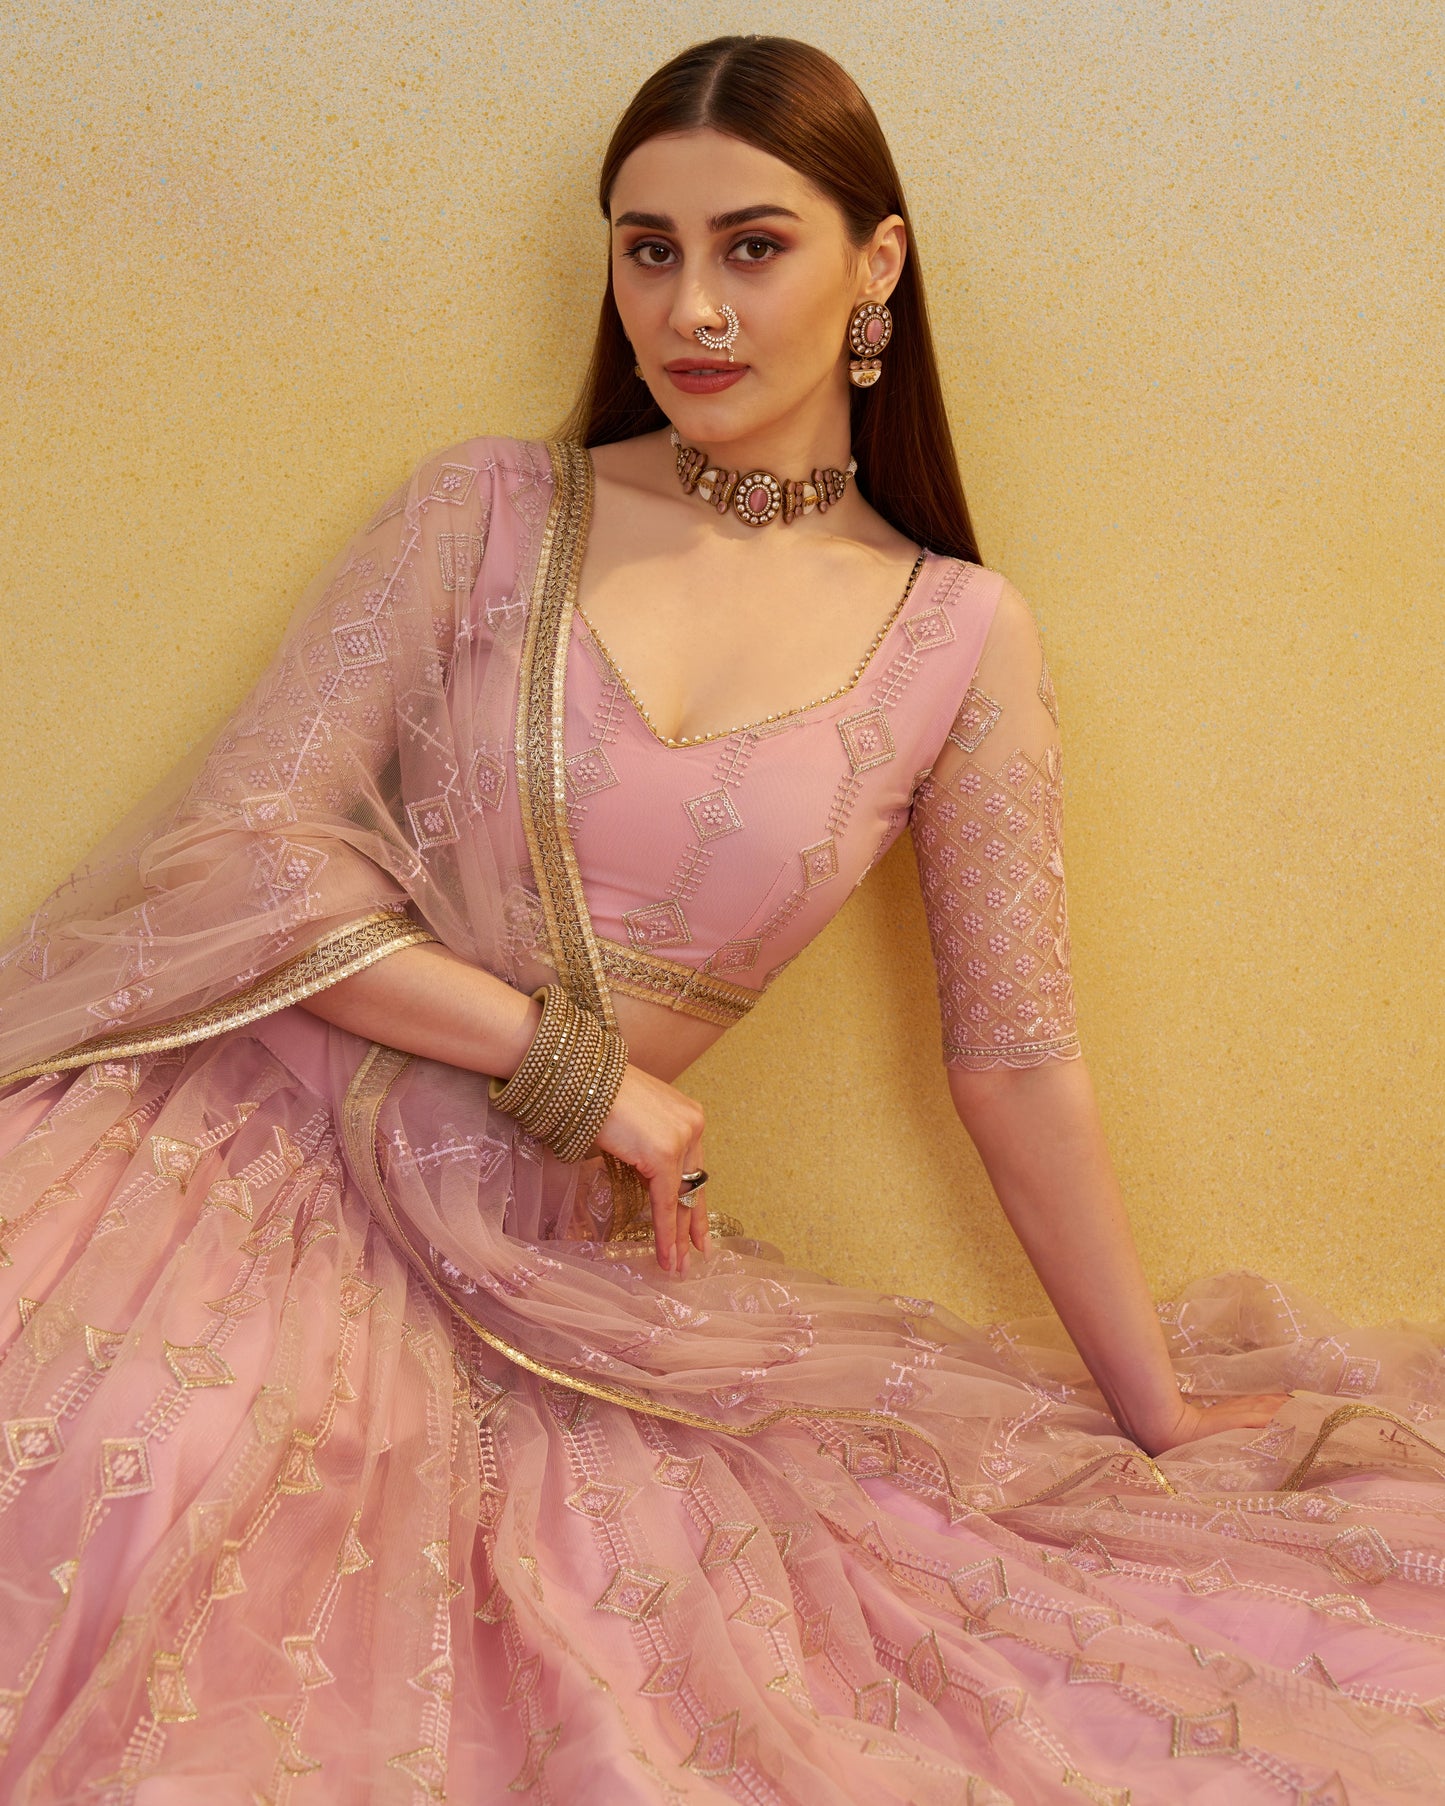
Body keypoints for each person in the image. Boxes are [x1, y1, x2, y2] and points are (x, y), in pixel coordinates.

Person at [0, 32, 1440, 1805]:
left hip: (536, 1276)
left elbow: (1014, 1060)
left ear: (873, 265)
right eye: (647, 247)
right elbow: (242, 852)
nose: (690, 306)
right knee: (128, 1464)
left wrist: (1150, 1402)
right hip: (216, 1155)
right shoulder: (488, 510)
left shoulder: (954, 638)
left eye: (751, 245)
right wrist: (573, 1064)